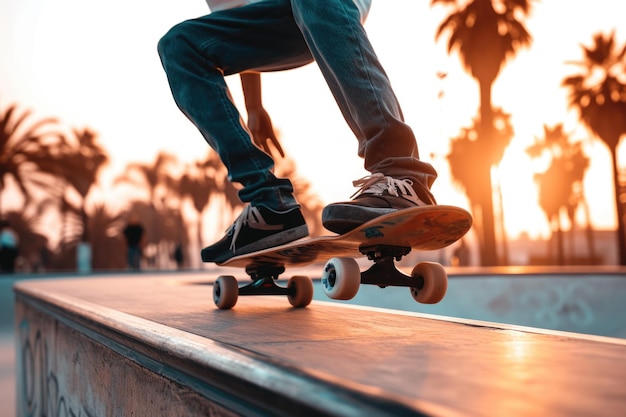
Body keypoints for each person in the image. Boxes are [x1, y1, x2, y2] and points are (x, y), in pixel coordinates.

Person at [158, 0, 438, 263]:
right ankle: (270, 206)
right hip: (278, 19)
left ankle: (403, 175)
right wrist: (254, 106)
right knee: (179, 45)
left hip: (334, 6)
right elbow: (240, 18)